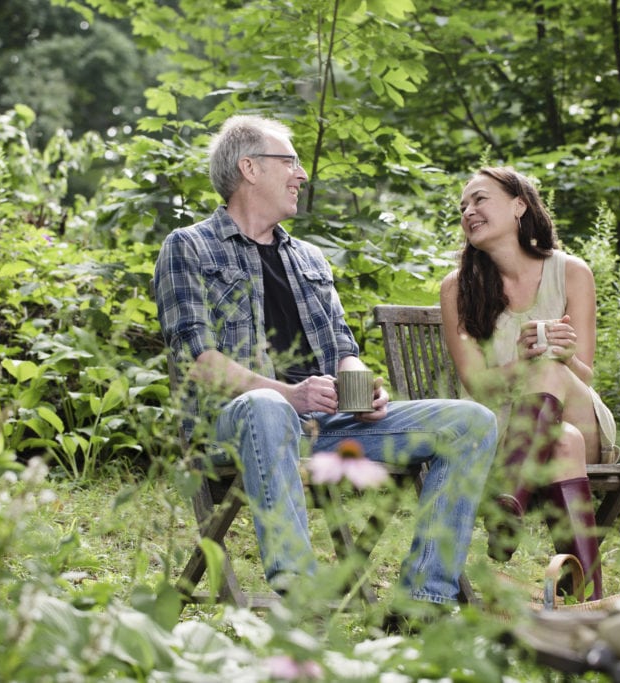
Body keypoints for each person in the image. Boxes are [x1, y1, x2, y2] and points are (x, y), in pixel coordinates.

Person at [153, 114, 499, 610]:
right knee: (267, 407)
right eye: (289, 161)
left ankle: (425, 599)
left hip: (328, 425)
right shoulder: (188, 247)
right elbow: (198, 362)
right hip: (233, 426)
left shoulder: (310, 259)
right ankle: (303, 594)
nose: (301, 174)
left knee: (471, 422)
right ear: (249, 168)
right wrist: (287, 394)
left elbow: (342, 350)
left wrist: (362, 389)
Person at [439, 166, 620, 601]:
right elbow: (476, 384)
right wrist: (520, 363)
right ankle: (586, 600)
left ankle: (508, 501)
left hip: (576, 406)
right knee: (563, 443)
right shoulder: (456, 288)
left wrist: (564, 356)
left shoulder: (571, 272)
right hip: (501, 430)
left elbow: (586, 376)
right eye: (463, 206)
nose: (469, 211)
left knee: (550, 371)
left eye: (479, 199)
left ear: (520, 205)